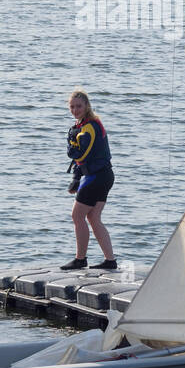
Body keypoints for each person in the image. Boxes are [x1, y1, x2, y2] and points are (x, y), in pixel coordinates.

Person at [61, 89, 117, 272]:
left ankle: (80, 259)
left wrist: (70, 147)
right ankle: (110, 261)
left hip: (97, 177)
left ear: (87, 106)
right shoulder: (82, 125)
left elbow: (81, 153)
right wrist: (76, 179)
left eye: (79, 106)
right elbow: (82, 160)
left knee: (77, 216)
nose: (75, 110)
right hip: (103, 176)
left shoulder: (90, 127)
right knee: (93, 217)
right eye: (72, 106)